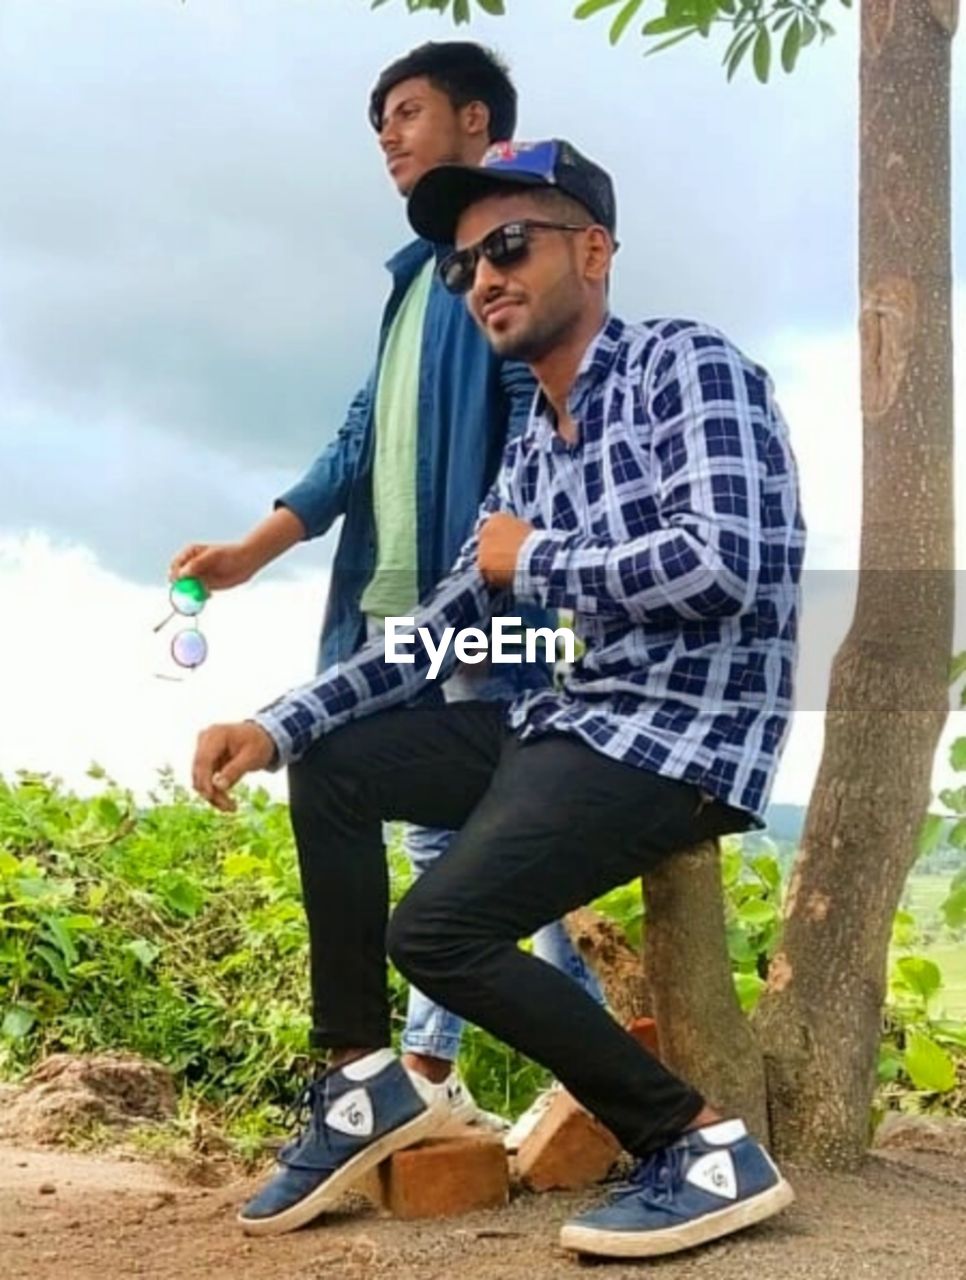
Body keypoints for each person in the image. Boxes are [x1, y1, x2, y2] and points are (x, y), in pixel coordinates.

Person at [191, 138, 804, 1258]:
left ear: (596, 250)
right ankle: (364, 1080)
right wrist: (275, 722)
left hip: (674, 734)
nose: (485, 278)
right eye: (469, 263)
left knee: (437, 927)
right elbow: (438, 630)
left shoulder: (689, 365)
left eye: (511, 245)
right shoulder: (534, 445)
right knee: (338, 764)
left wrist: (541, 563)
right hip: (562, 718)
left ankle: (698, 1144)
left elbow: (736, 564)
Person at [168, 42, 602, 1132]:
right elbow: (359, 438)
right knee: (436, 832)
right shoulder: (422, 281)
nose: (389, 139)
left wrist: (529, 571)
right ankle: (425, 1067)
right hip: (399, 608)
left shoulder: (506, 270)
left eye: (407, 114)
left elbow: (541, 410)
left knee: (506, 826)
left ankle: (528, 1065)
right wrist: (252, 549)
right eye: (378, 126)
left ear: (476, 121)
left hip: (496, 613)